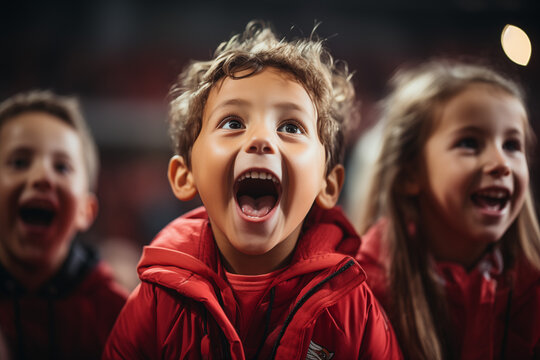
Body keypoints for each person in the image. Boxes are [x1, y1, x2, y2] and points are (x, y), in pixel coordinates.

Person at [104, 21, 402, 359]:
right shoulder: (155, 302)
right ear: (185, 175)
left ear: (328, 184)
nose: (261, 139)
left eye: (290, 126)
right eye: (233, 123)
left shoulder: (354, 309)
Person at [356, 60, 540, 359]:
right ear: (410, 174)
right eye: (470, 143)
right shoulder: (364, 292)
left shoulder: (531, 287)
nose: (501, 164)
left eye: (512, 145)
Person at [0, 90, 128, 359]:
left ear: (86, 210)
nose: (42, 176)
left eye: (62, 167)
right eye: (20, 162)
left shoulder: (120, 318)